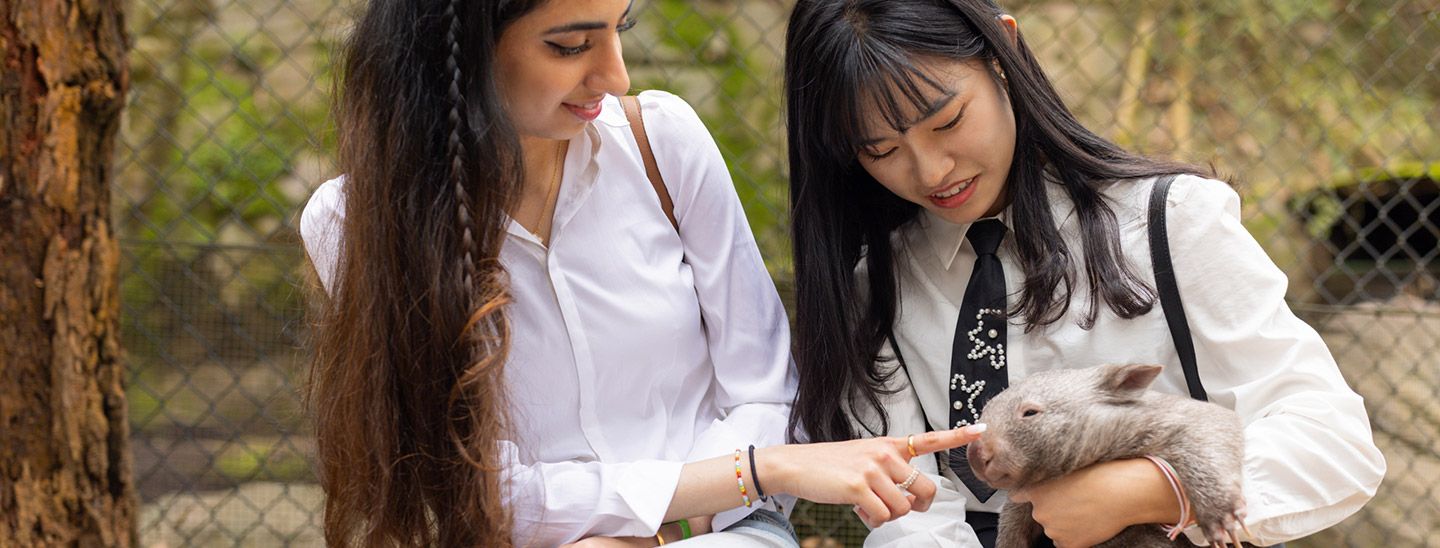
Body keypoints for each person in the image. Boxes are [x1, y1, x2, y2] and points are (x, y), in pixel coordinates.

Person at [299, 0, 983, 546]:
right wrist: (753, 472)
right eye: (570, 45)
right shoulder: (354, 223)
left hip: (726, 533)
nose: (616, 76)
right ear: (460, 51)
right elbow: (474, 489)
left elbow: (766, 393)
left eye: (619, 29)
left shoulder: (663, 142)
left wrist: (670, 526)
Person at [782, 0, 1387, 546]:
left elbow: (1335, 443)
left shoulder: (1169, 221)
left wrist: (1150, 489)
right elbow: (913, 506)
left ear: (1002, 52)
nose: (932, 170)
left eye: (947, 121)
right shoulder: (875, 285)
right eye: (881, 150)